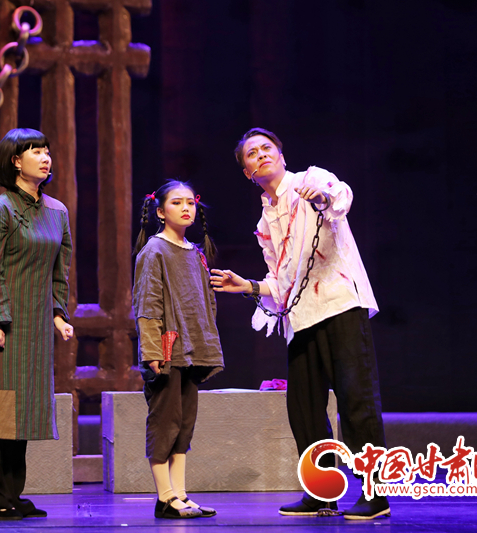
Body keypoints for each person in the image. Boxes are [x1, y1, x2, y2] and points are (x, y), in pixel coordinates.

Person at [210, 128, 390, 520]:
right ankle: (322, 492)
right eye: (252, 154)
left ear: (281, 156)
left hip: (340, 304)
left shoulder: (310, 179)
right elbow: (281, 280)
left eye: (267, 148)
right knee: (304, 407)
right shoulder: (264, 221)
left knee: (356, 399)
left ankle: (376, 494)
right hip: (302, 317)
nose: (261, 155)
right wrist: (249, 285)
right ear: (247, 173)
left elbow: (341, 196)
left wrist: (322, 197)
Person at [0, 128, 74, 521]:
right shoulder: (0, 210)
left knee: (22, 411)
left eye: (46, 151)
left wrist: (58, 313)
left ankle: (13, 493)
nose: (45, 157)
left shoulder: (57, 212)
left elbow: (60, 271)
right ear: (15, 161)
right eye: (35, 151)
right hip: (3, 326)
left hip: (35, 328)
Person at [132, 180, 224, 519]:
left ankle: (180, 493)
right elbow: (147, 304)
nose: (186, 208)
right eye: (176, 203)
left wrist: (205, 344)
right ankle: (165, 496)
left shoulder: (195, 253)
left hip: (192, 350)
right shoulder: (154, 251)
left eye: (190, 202)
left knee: (184, 423)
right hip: (168, 351)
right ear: (160, 211)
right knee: (165, 422)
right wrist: (152, 350)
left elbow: (206, 303)